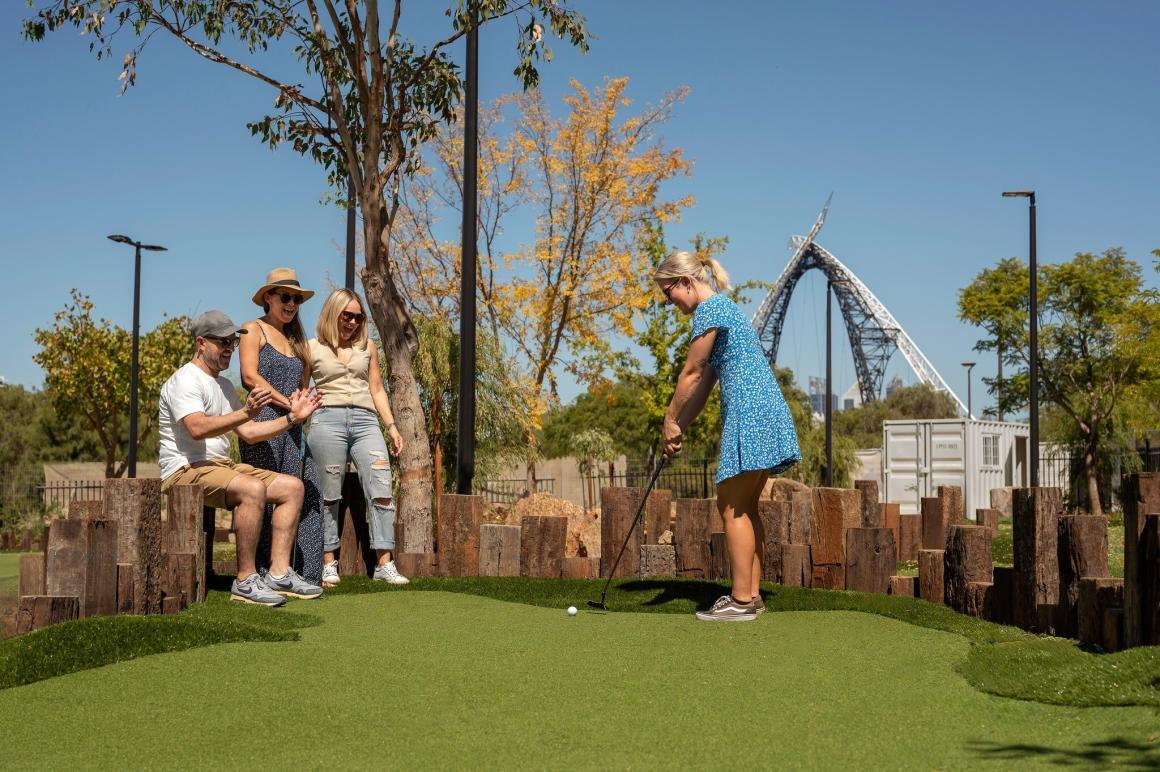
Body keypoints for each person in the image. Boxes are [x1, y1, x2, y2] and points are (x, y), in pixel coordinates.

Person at [656, 251, 801, 622]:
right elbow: (704, 386)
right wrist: (678, 427)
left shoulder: (710, 311)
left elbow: (691, 371)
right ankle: (750, 597)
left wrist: (668, 419)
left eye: (667, 292)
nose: (668, 301)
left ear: (685, 282)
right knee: (746, 506)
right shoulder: (725, 308)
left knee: (731, 506)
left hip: (750, 412)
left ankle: (739, 600)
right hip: (763, 409)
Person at [158, 310, 324, 606]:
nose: (230, 349)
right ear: (200, 343)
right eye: (222, 342)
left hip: (220, 467)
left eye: (233, 342)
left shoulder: (222, 385)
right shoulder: (185, 380)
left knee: (293, 488)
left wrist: (292, 418)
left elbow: (248, 432)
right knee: (252, 487)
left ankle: (279, 573)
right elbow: (196, 428)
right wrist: (244, 412)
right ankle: (245, 580)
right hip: (185, 469)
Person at [307, 288, 408, 586]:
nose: (352, 322)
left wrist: (391, 426)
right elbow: (302, 390)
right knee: (328, 493)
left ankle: (384, 564)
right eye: (346, 316)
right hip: (328, 420)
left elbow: (376, 389)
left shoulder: (368, 347)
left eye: (358, 317)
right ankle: (328, 562)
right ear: (332, 313)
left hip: (366, 422)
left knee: (381, 487)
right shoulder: (311, 347)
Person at [238, 268, 325, 586]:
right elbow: (250, 377)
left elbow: (301, 387)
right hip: (264, 425)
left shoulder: (298, 341)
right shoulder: (252, 329)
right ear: (268, 298)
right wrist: (289, 407)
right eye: (285, 297)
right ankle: (263, 572)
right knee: (268, 497)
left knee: (309, 493)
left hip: (294, 428)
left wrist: (303, 406)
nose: (291, 303)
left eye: (297, 299)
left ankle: (305, 572)